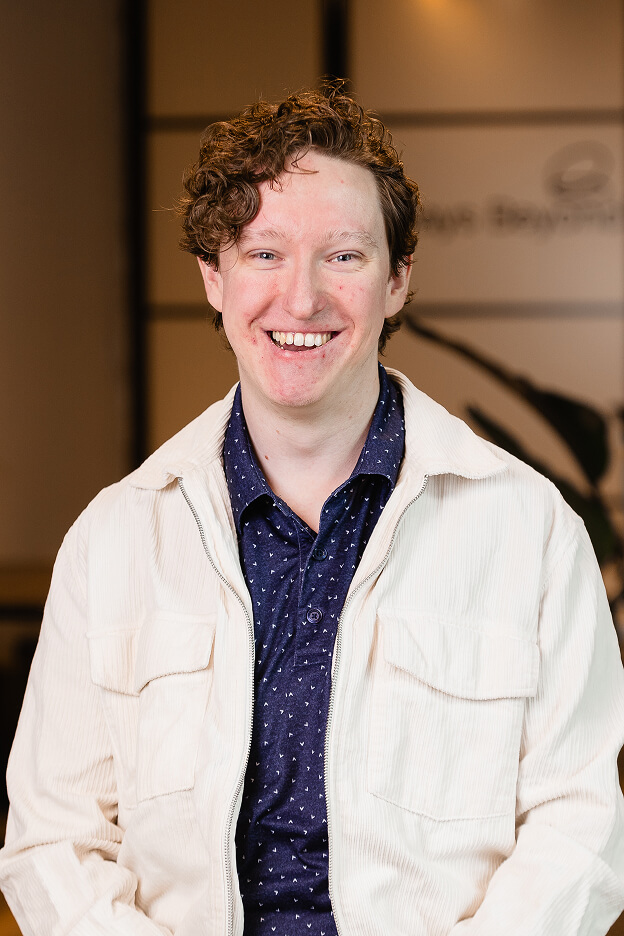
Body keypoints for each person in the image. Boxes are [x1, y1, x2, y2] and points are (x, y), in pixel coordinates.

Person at [1, 82, 624, 936]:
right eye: (263, 254)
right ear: (211, 276)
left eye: (343, 255)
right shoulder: (114, 537)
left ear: (399, 280)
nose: (301, 300)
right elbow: (54, 842)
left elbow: (581, 828)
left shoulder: (531, 530)